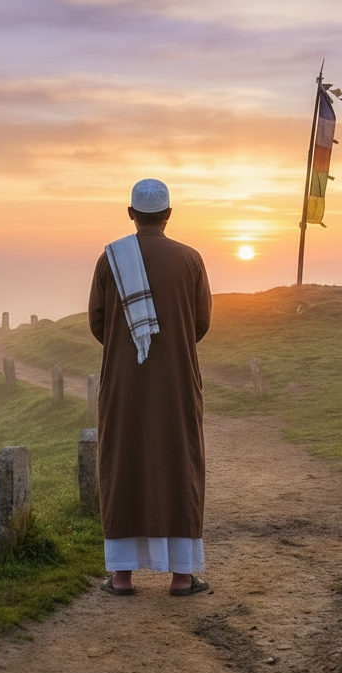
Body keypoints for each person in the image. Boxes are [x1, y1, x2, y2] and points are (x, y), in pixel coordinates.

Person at [88, 178, 212, 597]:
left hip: (124, 380)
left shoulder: (111, 260)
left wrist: (129, 347)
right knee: (180, 460)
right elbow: (200, 323)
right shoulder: (190, 259)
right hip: (177, 377)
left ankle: (122, 576)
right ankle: (182, 576)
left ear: (131, 214)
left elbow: (98, 323)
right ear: (169, 215)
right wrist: (170, 344)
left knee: (124, 460)